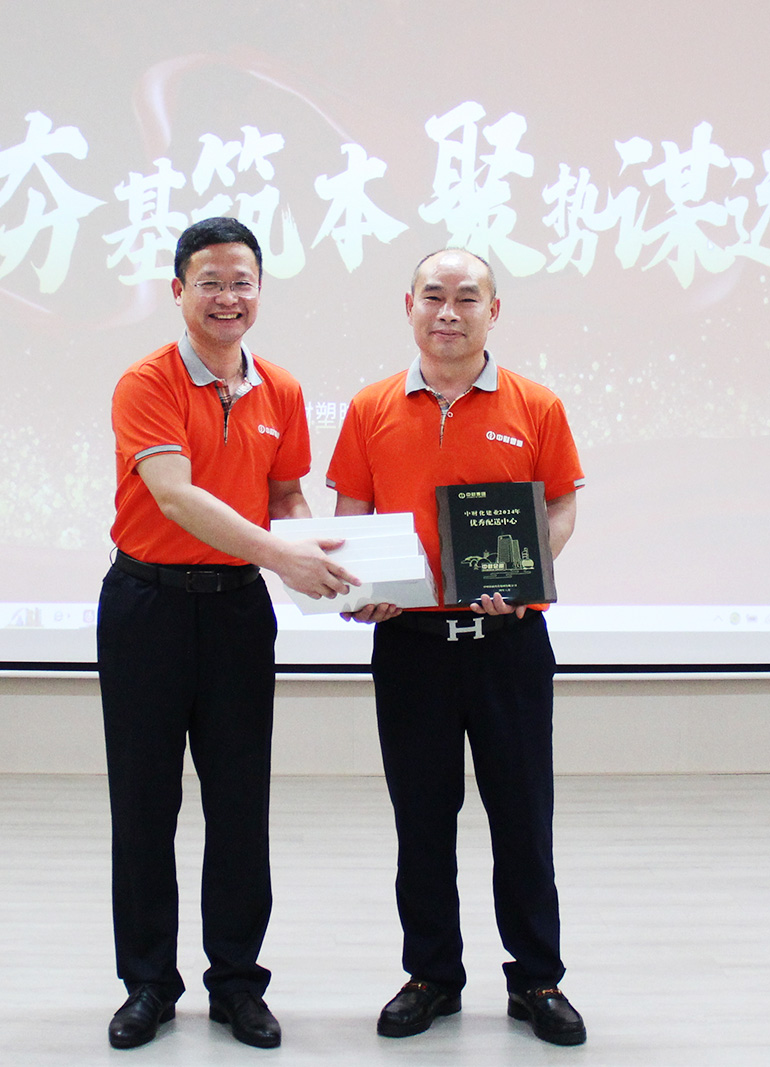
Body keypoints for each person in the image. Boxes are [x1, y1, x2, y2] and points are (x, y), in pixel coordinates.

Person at [99, 217, 357, 1051]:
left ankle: (238, 983)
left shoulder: (280, 388)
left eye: (241, 282)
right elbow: (175, 495)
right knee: (146, 802)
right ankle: (148, 983)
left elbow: (284, 498)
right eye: (209, 282)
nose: (227, 297)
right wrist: (283, 555)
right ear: (179, 291)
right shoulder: (146, 382)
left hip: (239, 612)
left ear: (259, 292)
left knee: (241, 804)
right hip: (147, 607)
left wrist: (331, 558)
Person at [326, 248, 589, 1046]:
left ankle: (537, 979)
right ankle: (431, 975)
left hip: (509, 644)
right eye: (433, 296)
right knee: (422, 819)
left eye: (467, 298)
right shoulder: (371, 406)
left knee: (523, 816)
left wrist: (529, 573)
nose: (448, 312)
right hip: (412, 647)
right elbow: (351, 515)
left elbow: (561, 508)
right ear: (408, 305)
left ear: (493, 311)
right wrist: (360, 588)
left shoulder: (536, 404)